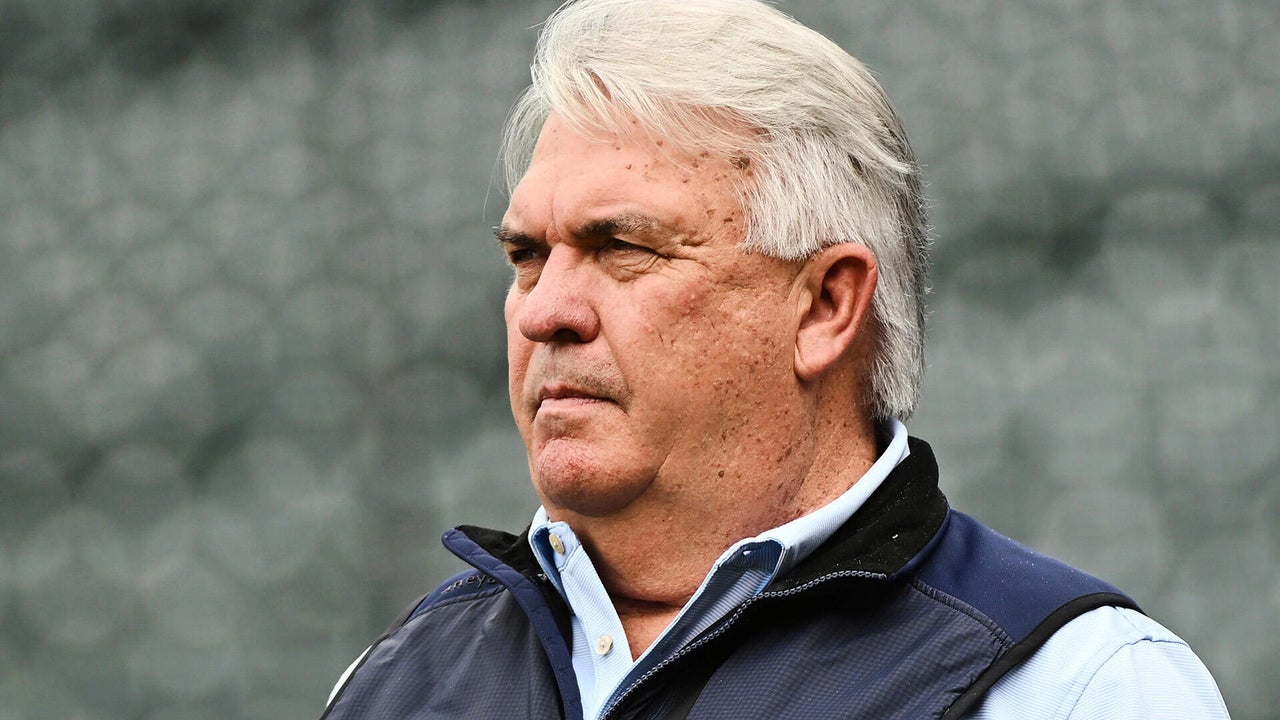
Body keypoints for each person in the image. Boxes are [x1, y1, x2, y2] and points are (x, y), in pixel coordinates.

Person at [322, 1, 1230, 718]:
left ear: (826, 305)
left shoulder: (1074, 688)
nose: (546, 311)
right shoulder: (397, 683)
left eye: (623, 247)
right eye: (527, 256)